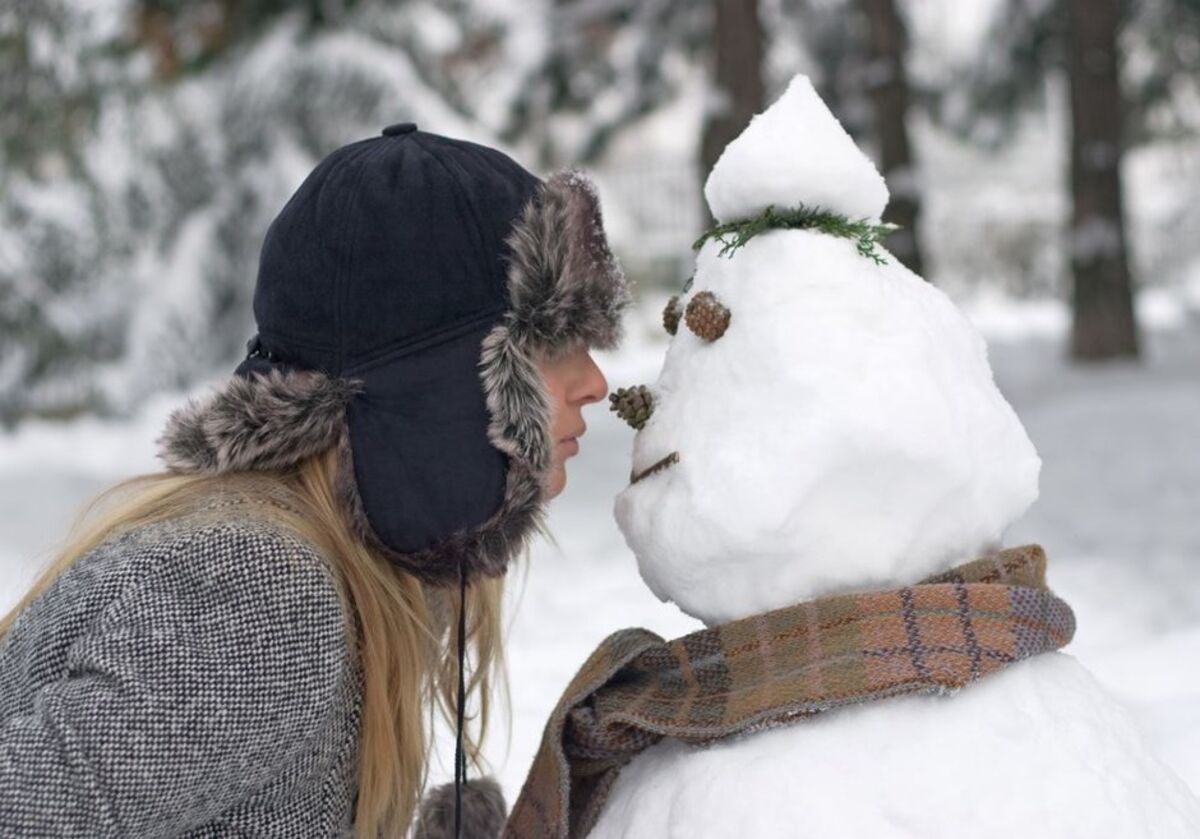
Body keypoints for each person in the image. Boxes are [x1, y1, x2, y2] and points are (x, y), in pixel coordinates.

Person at [0, 121, 629, 838]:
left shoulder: (322, 574)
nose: (594, 381)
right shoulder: (258, 594)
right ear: (444, 394)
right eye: (550, 343)